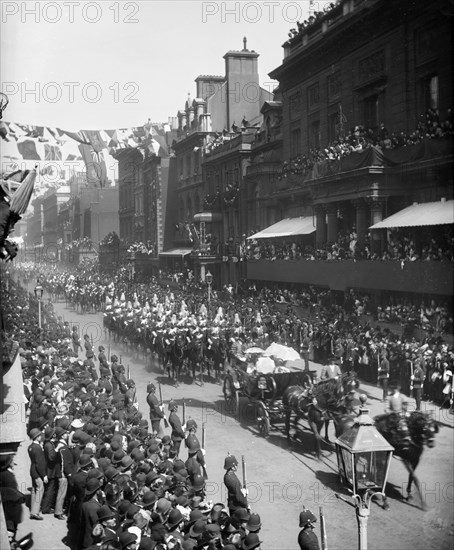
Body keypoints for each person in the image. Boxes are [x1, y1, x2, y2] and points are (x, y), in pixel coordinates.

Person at [27, 428, 47, 520]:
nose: (41, 437)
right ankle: (35, 512)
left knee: (34, 490)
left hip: (32, 470)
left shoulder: (30, 447)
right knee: (40, 490)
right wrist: (44, 475)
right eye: (39, 436)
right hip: (38, 472)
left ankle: (32, 510)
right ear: (36, 437)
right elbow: (40, 463)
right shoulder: (37, 448)